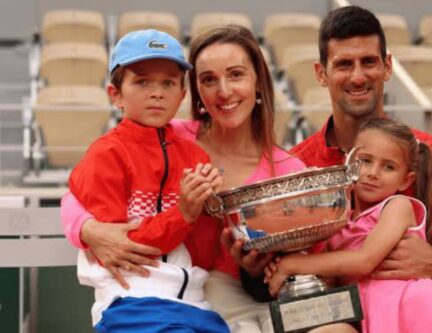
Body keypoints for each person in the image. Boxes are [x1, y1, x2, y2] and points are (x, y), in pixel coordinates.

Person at [232, 6, 432, 333]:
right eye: (344, 64)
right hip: (338, 316)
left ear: (387, 66)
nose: (358, 76)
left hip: (431, 310)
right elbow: (272, 287)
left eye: (369, 62)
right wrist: (255, 270)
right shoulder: (297, 166)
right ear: (321, 73)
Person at [60, 25, 354, 333]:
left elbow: (313, 262)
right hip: (192, 298)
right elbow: (79, 192)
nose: (224, 91)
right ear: (195, 92)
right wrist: (88, 229)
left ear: (258, 82)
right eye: (209, 80)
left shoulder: (288, 168)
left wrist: (254, 267)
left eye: (236, 75)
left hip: (260, 300)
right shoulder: (165, 133)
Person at [67, 29, 229, 332]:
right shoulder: (105, 154)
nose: (157, 93)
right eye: (142, 82)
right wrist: (183, 214)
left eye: (168, 83)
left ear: (182, 95)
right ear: (115, 95)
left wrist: (209, 212)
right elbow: (121, 252)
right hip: (130, 303)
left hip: (195, 304)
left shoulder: (196, 157)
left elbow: (203, 256)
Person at [265, 118, 432, 332]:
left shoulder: (398, 207)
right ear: (348, 163)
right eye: (365, 160)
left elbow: (364, 261)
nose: (373, 173)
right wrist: (290, 268)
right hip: (371, 314)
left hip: (414, 309)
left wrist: (291, 265)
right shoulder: (338, 219)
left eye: (388, 166)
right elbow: (333, 274)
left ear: (406, 180)